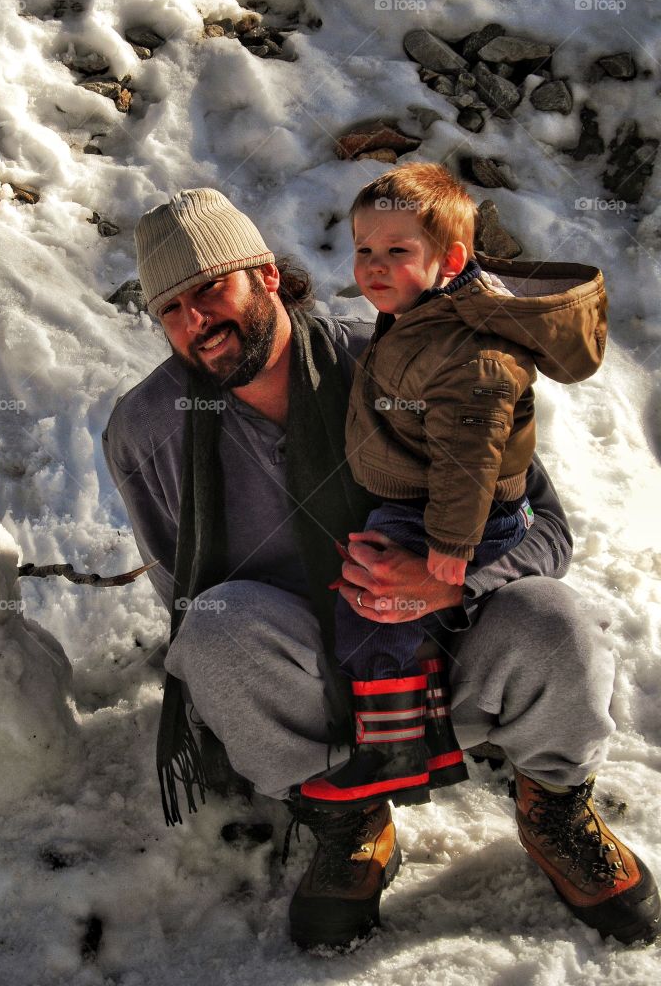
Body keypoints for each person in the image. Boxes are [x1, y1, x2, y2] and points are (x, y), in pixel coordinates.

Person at [102, 186, 659, 952]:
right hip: (313, 690)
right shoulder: (147, 431)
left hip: (455, 654)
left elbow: (544, 529)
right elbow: (180, 588)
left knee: (557, 617)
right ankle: (347, 816)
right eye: (171, 308)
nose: (196, 322)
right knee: (214, 628)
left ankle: (554, 807)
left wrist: (447, 580)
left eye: (210, 289)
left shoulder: (405, 355)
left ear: (266, 274)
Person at [305, 163, 607, 813]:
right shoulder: (418, 316)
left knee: (376, 608)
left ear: (451, 260)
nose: (374, 266)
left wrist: (445, 554)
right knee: (370, 597)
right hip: (428, 505)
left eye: (397, 251)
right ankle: (407, 741)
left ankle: (400, 752)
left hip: (456, 516)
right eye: (363, 250)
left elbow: (470, 456)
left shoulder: (464, 347)